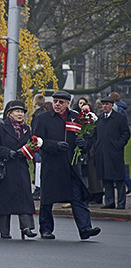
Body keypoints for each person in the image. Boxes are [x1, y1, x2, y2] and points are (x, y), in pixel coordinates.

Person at [33, 90, 101, 240]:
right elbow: (36, 141)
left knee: (78, 197)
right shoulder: (43, 119)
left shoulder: (76, 118)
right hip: (52, 165)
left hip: (71, 165)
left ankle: (85, 228)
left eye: (61, 102)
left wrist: (83, 145)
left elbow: (89, 137)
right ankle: (46, 229)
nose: (57, 104)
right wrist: (54, 145)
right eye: (55, 101)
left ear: (68, 104)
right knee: (47, 199)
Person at [0, 100, 37, 240]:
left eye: (22, 112)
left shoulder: (26, 129)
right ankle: (4, 231)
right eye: (17, 111)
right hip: (6, 167)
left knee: (24, 197)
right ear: (10, 113)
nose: (20, 114)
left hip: (21, 167)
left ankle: (26, 228)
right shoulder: (1, 127)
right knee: (5, 200)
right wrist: (8, 152)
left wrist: (26, 152)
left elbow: (30, 146)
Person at [94, 96, 130, 209]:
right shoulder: (99, 119)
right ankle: (109, 202)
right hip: (102, 152)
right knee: (106, 178)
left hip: (115, 153)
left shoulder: (119, 118)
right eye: (103, 104)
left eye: (107, 104)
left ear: (112, 105)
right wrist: (97, 146)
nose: (105, 106)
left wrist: (118, 145)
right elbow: (95, 135)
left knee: (119, 179)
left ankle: (121, 203)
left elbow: (126, 134)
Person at [31, 94, 46, 200]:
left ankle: (38, 190)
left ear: (35, 102)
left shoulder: (37, 115)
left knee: (38, 168)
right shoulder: (45, 113)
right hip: (42, 144)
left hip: (38, 144)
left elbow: (36, 131)